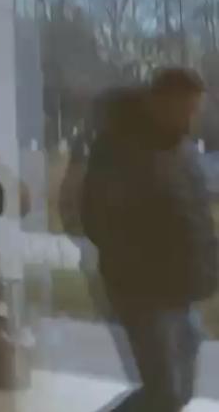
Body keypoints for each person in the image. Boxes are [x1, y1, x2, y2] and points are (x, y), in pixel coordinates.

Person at [81, 68, 217, 412]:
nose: (191, 121)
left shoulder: (183, 149)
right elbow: (96, 217)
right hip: (143, 291)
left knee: (180, 392)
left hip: (182, 290)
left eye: (195, 112)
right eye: (186, 110)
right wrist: (139, 263)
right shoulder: (119, 149)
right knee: (165, 394)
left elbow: (196, 214)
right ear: (159, 102)